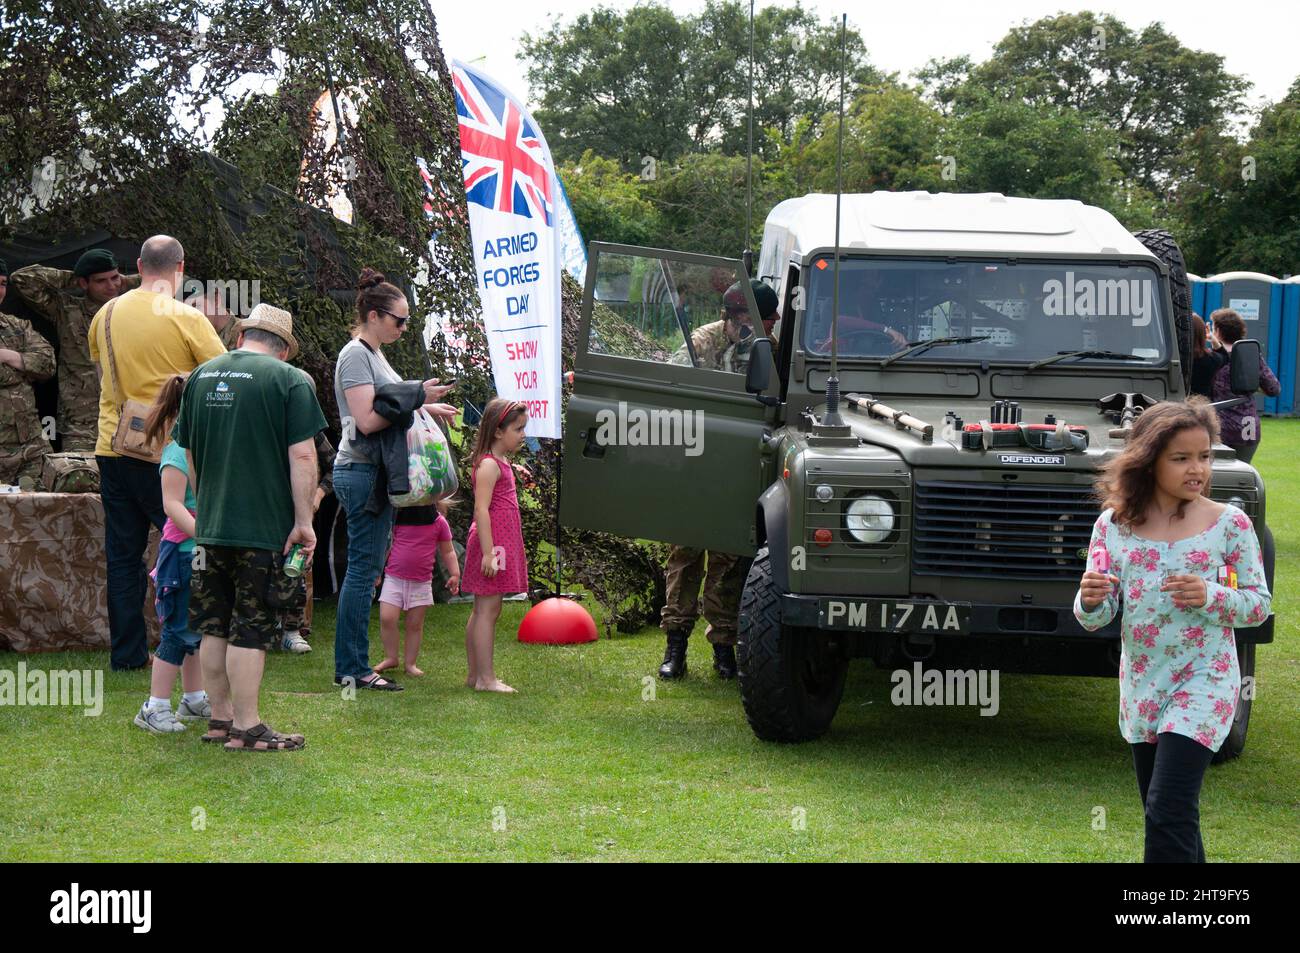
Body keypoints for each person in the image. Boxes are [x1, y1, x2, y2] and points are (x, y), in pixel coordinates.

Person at [1075, 399, 1270, 862]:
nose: (1197, 469)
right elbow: (1097, 617)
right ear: (1149, 460)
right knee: (1164, 811)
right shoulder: (1112, 526)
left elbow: (1258, 607)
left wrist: (1210, 596)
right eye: (1180, 458)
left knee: (1169, 805)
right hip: (1143, 685)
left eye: (1204, 456)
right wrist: (1090, 599)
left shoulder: (1231, 524)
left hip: (1204, 680)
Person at [173, 303, 326, 752]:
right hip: (262, 529)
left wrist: (206, 508)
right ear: (283, 349)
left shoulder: (200, 377)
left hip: (211, 527)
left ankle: (220, 719)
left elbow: (192, 456)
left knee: (213, 625)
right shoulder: (289, 380)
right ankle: (248, 726)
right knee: (250, 627)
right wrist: (304, 521)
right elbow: (302, 456)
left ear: (242, 337)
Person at [87, 236, 225, 671]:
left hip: (112, 445)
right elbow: (225, 379)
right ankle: (193, 642)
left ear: (138, 265)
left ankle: (128, 655)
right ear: (180, 267)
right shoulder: (187, 316)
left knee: (124, 556)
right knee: (191, 546)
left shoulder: (104, 314)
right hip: (169, 454)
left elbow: (101, 375)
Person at [332, 268, 455, 692]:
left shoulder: (374, 352)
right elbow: (366, 420)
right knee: (363, 572)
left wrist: (425, 408)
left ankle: (356, 664)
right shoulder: (355, 355)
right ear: (373, 314)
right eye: (398, 320)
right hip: (361, 471)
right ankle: (353, 668)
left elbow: (390, 402)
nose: (404, 328)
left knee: (365, 570)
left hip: (373, 473)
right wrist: (418, 396)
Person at [658, 281, 777, 681]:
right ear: (740, 317)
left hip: (737, 467)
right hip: (695, 464)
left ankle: (724, 647)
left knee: (729, 561)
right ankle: (676, 646)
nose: (769, 325)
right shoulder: (702, 342)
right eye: (762, 318)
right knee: (685, 557)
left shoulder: (768, 349)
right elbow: (672, 386)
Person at [132, 373, 209, 733]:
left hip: (199, 552)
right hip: (183, 554)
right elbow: (172, 505)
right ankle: (154, 707)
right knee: (178, 632)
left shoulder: (199, 445)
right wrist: (206, 535)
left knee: (196, 631)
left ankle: (193, 699)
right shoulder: (178, 449)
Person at [10, 249, 141, 450]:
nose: (111, 286)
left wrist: (127, 281)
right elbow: (22, 279)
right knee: (80, 479)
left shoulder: (135, 308)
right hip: (82, 424)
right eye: (101, 281)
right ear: (84, 283)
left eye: (115, 278)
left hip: (129, 418)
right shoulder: (67, 310)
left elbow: (175, 278)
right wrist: (76, 278)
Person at [460, 398, 529, 693]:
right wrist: (488, 553)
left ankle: (475, 675)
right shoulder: (489, 465)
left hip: (498, 542)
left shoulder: (498, 462)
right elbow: (481, 510)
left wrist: (513, 469)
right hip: (493, 544)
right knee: (487, 610)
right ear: (498, 431)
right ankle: (486, 679)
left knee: (483, 610)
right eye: (518, 429)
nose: (523, 434)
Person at [278, 371, 337, 655]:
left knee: (296, 570)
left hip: (300, 513)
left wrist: (318, 494)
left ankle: (292, 630)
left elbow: (336, 466)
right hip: (268, 510)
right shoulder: (267, 421)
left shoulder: (312, 432)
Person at [375, 498, 460, 677]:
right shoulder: (397, 519)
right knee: (387, 618)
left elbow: (448, 550)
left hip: (421, 583)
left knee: (415, 625)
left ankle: (410, 664)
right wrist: (377, 571)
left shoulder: (438, 522)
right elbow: (387, 547)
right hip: (394, 579)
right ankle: (391, 657)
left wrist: (455, 574)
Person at [0, 258, 57, 489]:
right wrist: (24, 368)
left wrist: (7, 356)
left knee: (40, 516)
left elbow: (47, 363)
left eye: (3, 283)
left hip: (30, 449)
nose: (0, 291)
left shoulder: (18, 327)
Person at [1207, 309, 1280, 464]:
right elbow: (1273, 388)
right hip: (1248, 429)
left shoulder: (1212, 358)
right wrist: (1253, 388)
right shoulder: (1252, 356)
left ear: (1218, 331)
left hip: (1219, 428)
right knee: (1242, 476)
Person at [1188, 314, 1225, 400]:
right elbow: (1224, 356)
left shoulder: (1169, 357)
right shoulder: (1211, 359)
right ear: (1202, 334)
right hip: (1201, 408)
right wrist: (1212, 338)